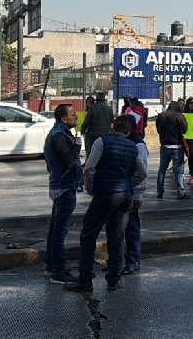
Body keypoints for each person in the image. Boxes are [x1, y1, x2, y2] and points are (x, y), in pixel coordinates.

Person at [67, 115, 147, 293]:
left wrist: (91, 188)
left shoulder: (101, 141)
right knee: (116, 237)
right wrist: (128, 184)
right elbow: (141, 173)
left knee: (88, 234)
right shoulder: (133, 147)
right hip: (124, 195)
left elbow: (89, 167)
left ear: (112, 127)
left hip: (106, 194)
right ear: (128, 131)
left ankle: (85, 279)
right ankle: (113, 279)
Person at [43, 103, 83, 284]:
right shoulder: (59, 135)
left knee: (56, 228)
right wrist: (76, 148)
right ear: (63, 118)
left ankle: (51, 265)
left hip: (60, 184)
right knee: (60, 230)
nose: (76, 117)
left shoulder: (58, 133)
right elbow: (68, 160)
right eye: (73, 115)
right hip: (64, 186)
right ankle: (58, 270)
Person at [123, 116, 149, 275]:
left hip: (133, 192)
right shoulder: (129, 143)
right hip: (124, 191)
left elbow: (141, 172)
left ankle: (132, 261)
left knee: (131, 227)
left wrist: (137, 193)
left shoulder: (138, 145)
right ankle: (120, 260)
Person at [155, 101, 189, 199]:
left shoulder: (161, 116)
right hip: (177, 147)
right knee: (178, 171)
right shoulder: (179, 115)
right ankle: (180, 191)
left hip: (165, 146)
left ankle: (160, 192)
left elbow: (158, 130)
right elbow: (185, 130)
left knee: (162, 169)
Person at [80, 92, 114, 157]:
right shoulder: (109, 109)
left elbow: (86, 122)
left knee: (91, 152)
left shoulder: (92, 108)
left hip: (93, 135)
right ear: (104, 99)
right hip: (105, 135)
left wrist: (82, 130)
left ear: (96, 99)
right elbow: (112, 121)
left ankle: (89, 163)